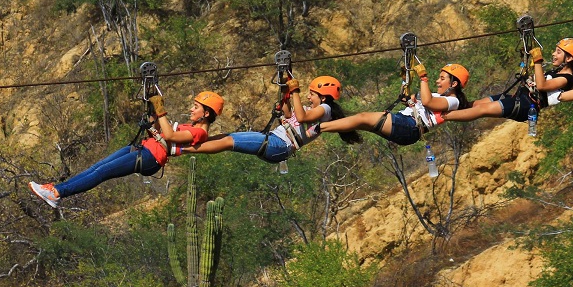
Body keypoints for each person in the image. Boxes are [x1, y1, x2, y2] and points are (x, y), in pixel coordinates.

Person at [29, 91, 224, 208]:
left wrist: (161, 109)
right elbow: (161, 132)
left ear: (206, 113)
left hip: (150, 158)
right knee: (97, 167)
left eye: (195, 107)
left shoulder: (199, 134)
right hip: (144, 149)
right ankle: (56, 189)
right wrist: (152, 115)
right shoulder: (190, 127)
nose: (191, 109)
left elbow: (171, 136)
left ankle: (56, 193)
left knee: (102, 172)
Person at [181, 76, 360, 162]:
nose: (308, 97)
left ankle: (181, 150)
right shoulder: (312, 109)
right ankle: (186, 145)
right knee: (226, 136)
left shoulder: (325, 110)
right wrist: (286, 93)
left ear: (323, 97)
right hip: (276, 141)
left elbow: (302, 116)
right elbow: (290, 114)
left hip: (280, 145)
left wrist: (295, 91)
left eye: (311, 94)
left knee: (229, 141)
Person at [317, 63, 471, 145]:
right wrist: (406, 81)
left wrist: (424, 79)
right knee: (360, 121)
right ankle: (323, 125)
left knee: (362, 117)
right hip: (406, 124)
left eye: (442, 78)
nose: (438, 81)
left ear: (454, 83)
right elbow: (414, 99)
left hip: (410, 126)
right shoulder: (439, 96)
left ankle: (318, 128)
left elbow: (427, 101)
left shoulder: (453, 101)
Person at [443, 38, 573, 123]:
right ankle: (449, 105)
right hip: (519, 98)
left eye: (558, 52)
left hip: (525, 106)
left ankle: (442, 117)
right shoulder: (557, 71)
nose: (553, 54)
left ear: (570, 58)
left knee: (481, 109)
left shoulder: (566, 79)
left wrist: (538, 62)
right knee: (474, 104)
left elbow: (542, 86)